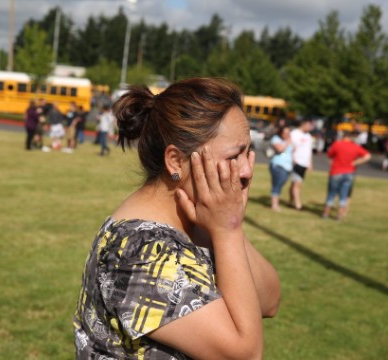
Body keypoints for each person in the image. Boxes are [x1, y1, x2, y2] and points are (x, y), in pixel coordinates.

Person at [73, 78, 280, 359]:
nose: (246, 170)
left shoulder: (198, 223)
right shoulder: (138, 251)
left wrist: (230, 225)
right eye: (233, 156)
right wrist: (227, 231)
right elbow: (244, 355)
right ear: (176, 161)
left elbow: (268, 301)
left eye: (248, 152)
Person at [322, 132, 371, 220]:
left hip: (336, 172)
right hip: (349, 172)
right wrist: (356, 162)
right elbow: (367, 156)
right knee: (343, 195)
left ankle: (326, 214)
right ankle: (339, 216)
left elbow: (329, 155)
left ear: (343, 136)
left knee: (331, 194)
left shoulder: (338, 144)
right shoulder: (355, 146)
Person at [289, 118, 314, 210]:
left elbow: (309, 150)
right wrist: (293, 159)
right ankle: (298, 204)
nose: (310, 127)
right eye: (309, 125)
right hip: (296, 162)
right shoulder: (294, 134)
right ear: (303, 124)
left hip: (304, 163)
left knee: (294, 183)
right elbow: (290, 147)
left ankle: (290, 201)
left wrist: (310, 163)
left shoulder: (308, 136)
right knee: (297, 184)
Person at [269, 125, 294, 211]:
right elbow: (280, 149)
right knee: (277, 184)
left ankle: (276, 203)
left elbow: (293, 151)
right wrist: (287, 142)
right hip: (278, 165)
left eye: (288, 133)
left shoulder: (290, 140)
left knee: (280, 184)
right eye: (285, 133)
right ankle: (274, 205)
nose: (287, 134)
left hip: (288, 166)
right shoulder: (276, 139)